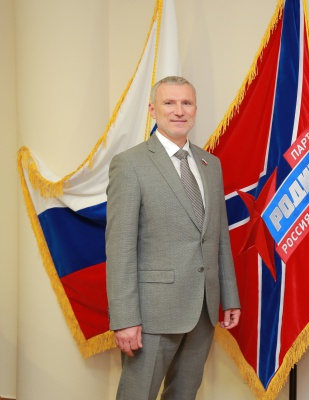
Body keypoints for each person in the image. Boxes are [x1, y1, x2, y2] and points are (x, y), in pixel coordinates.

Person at [106, 75, 241, 400]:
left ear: (195, 108)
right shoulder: (130, 164)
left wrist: (229, 296)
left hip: (203, 310)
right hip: (152, 314)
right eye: (169, 103)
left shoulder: (211, 164)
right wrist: (125, 319)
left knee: (184, 394)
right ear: (153, 109)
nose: (179, 111)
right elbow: (120, 248)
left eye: (186, 103)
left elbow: (218, 235)